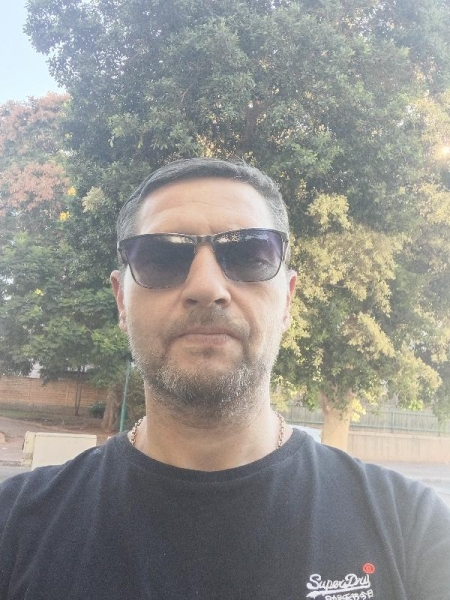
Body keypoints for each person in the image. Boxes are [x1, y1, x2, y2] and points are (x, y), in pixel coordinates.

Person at [0, 158, 449, 600]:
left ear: (288, 300)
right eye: (162, 258)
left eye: (248, 255)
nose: (206, 288)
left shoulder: (411, 527)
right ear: (121, 301)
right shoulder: (15, 525)